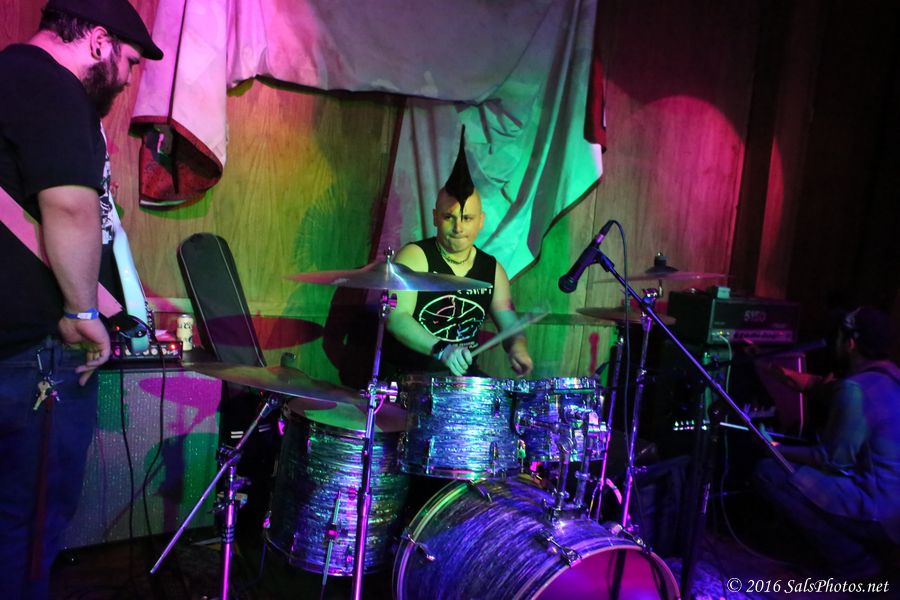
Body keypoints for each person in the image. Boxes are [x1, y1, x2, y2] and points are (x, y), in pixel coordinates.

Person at [0, 1, 162, 597]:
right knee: (27, 520)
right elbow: (70, 207)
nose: (126, 79)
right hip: (31, 357)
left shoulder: (8, 75)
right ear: (98, 42)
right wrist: (82, 312)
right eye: (130, 62)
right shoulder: (52, 87)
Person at [754, 306, 900, 579]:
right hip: (895, 511)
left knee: (770, 472)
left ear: (851, 343)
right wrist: (766, 364)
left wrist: (774, 448)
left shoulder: (855, 388)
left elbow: (832, 460)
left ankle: (855, 563)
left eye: (838, 336)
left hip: (878, 512)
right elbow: (818, 386)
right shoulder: (889, 376)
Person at [383, 135, 533, 380]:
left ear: (481, 221)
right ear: (435, 217)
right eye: (449, 217)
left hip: (462, 384)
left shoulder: (492, 270)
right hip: (411, 379)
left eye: (467, 218)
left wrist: (518, 347)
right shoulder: (415, 257)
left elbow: (510, 326)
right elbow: (396, 318)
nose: (458, 227)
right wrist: (442, 349)